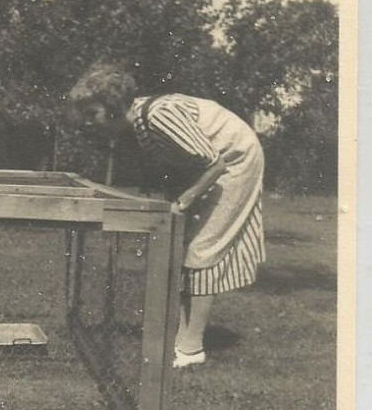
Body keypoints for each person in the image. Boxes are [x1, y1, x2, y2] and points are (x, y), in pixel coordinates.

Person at [69, 83, 265, 368]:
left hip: (236, 160)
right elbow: (186, 160)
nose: (89, 122)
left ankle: (191, 347)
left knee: (203, 249)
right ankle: (182, 337)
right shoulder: (141, 124)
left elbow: (215, 164)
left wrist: (184, 201)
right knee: (184, 246)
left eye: (92, 113)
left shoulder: (158, 115)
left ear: (112, 106)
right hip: (215, 165)